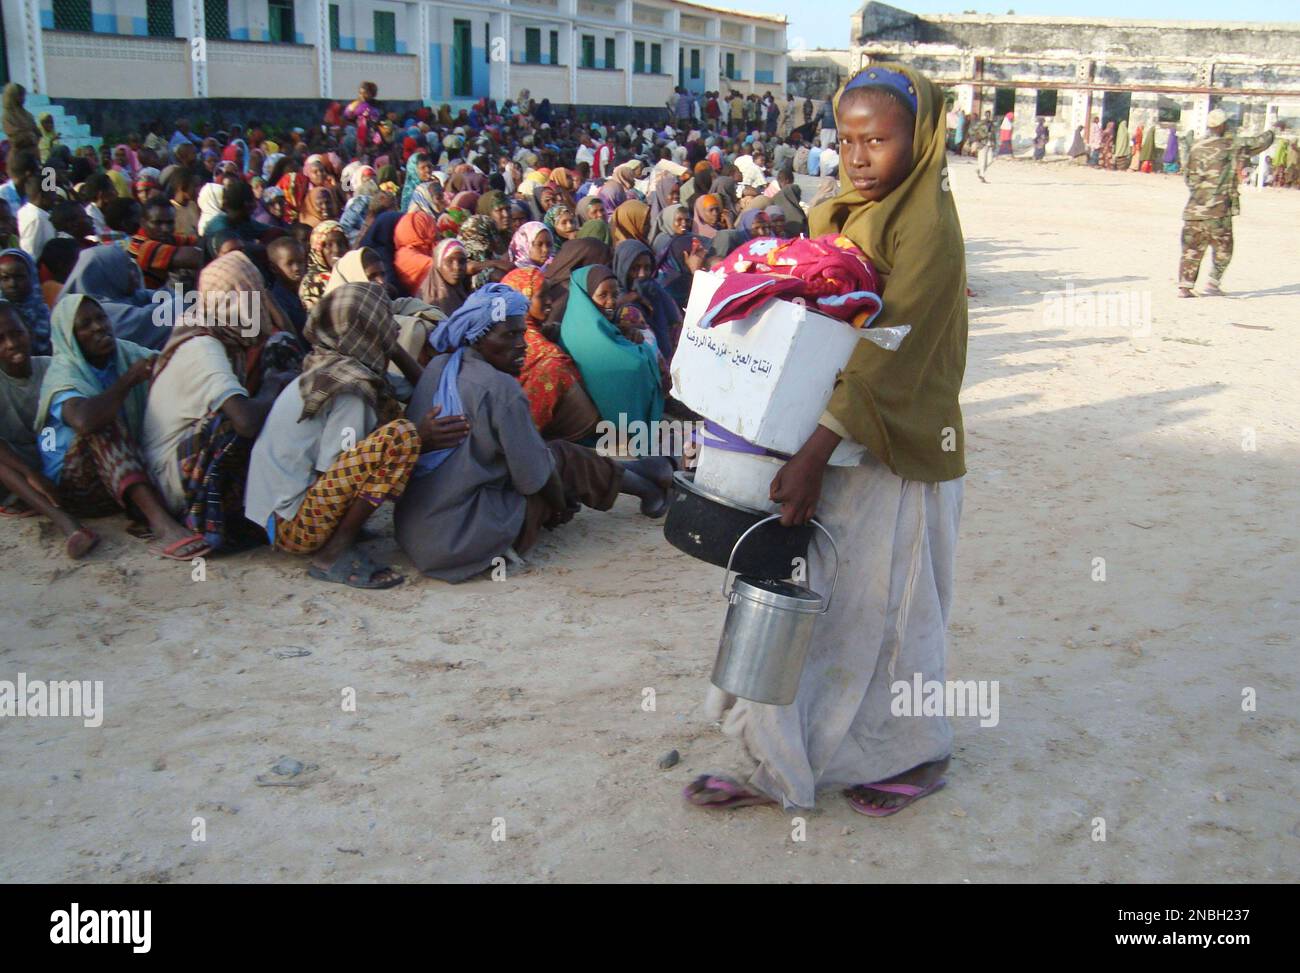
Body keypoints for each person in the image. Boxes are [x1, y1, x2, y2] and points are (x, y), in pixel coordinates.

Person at [685, 65, 967, 817]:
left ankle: (916, 750)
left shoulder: (926, 224)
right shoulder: (833, 210)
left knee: (891, 607)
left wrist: (814, 450)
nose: (860, 156)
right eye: (847, 140)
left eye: (879, 139)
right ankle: (781, 756)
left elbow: (890, 347)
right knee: (809, 600)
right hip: (822, 440)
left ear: (923, 136)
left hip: (891, 448)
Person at [393, 285, 670, 582]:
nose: (523, 345)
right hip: (462, 545)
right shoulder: (501, 390)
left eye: (522, 333)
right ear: (478, 337)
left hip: (415, 534)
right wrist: (559, 504)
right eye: (509, 335)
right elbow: (535, 478)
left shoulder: (438, 367)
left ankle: (641, 474)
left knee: (548, 453)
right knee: (559, 457)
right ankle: (648, 485)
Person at [244, 282, 461, 588]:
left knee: (398, 432)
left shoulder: (333, 365)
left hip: (275, 512)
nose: (395, 329)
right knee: (401, 436)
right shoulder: (349, 390)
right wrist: (420, 440)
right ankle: (333, 552)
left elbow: (424, 389)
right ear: (368, 330)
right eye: (386, 323)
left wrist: (392, 348)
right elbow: (338, 468)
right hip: (290, 526)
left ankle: (342, 537)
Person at [34, 294, 210, 560]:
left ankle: (167, 505)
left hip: (116, 480)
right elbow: (83, 420)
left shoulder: (124, 353)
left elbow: (165, 364)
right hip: (76, 488)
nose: (98, 327)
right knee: (100, 424)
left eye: (100, 318)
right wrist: (128, 381)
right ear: (70, 337)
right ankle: (161, 524)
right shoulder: (63, 372)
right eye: (85, 325)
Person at [141, 252, 293, 550]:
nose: (261, 304)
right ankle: (210, 521)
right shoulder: (203, 346)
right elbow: (245, 422)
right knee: (234, 422)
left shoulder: (224, 337)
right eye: (251, 295)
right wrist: (274, 388)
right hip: (170, 478)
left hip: (184, 460)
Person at [0, 303, 100, 556]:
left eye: (16, 333)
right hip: (17, 469)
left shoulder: (53, 368)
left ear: (29, 332)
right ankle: (68, 525)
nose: (11, 344)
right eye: (1, 339)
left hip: (57, 463)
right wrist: (29, 472)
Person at [1177, 109, 1274, 297]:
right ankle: (1213, 283)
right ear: (1222, 125)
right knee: (1224, 249)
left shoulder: (1196, 147)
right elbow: (1260, 143)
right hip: (1219, 210)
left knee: (1191, 249)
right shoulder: (1231, 145)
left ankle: (1185, 286)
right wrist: (1272, 131)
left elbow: (1188, 178)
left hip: (1194, 209)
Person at [61, 245, 178, 350]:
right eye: (127, 268)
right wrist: (187, 297)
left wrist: (179, 288)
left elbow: (158, 296)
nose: (135, 273)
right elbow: (153, 319)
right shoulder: (96, 310)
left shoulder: (122, 295)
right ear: (111, 274)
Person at [128, 197, 203, 290]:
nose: (165, 229)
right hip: (147, 302)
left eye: (170, 222)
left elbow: (199, 242)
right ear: (143, 223)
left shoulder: (164, 239)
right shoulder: (143, 247)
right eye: (158, 223)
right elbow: (196, 257)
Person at [0, 248, 52, 355]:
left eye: (19, 277)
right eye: (5, 278)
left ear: (32, 277)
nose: (12, 284)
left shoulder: (45, 316)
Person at [970, 111, 994, 182]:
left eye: (989, 115)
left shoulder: (991, 123)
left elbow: (993, 134)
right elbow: (971, 131)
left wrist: (994, 141)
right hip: (982, 143)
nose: (988, 116)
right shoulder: (980, 123)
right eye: (987, 115)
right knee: (982, 160)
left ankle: (979, 170)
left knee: (990, 160)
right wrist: (979, 137)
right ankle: (982, 176)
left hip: (989, 143)